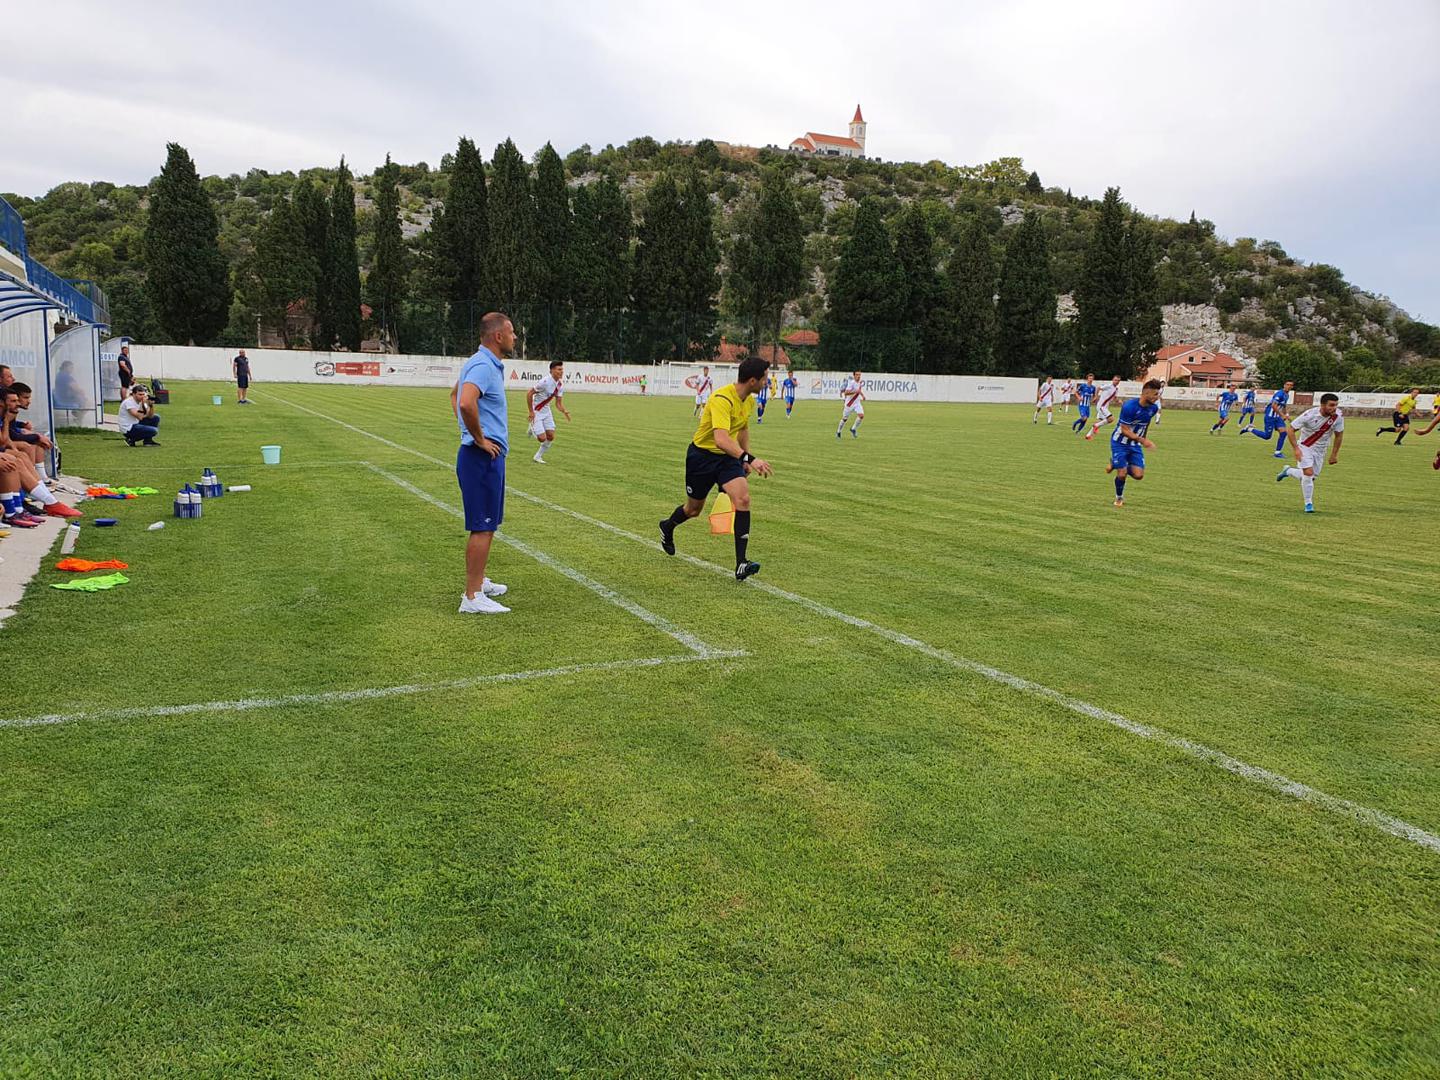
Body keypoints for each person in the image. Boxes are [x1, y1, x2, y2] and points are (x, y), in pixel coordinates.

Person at [658, 356, 772, 581]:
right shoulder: (722, 399)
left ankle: (741, 563)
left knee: (743, 499)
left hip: (727, 459)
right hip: (701, 458)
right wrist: (750, 458)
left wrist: (744, 458)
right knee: (693, 510)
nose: (766, 382)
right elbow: (721, 439)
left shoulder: (748, 401)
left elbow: (742, 429)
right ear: (752, 380)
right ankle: (667, 527)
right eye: (765, 378)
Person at [452, 312, 515, 614]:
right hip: (481, 457)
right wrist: (477, 438)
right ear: (498, 336)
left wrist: (469, 432)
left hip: (486, 457)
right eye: (512, 332)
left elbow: (454, 395)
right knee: (482, 526)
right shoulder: (483, 365)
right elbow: (465, 401)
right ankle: (472, 596)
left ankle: (479, 581)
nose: (515, 337)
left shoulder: (483, 363)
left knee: (488, 525)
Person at [1, 388, 80, 518]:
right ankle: (18, 509)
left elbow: (5, 440)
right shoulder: (5, 414)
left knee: (21, 456)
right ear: (2, 403)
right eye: (14, 401)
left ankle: (41, 496)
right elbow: (7, 439)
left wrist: (12, 424)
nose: (18, 403)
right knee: (18, 458)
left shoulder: (6, 414)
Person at [1276, 393, 1344, 513]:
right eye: (1331, 405)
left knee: (1310, 478)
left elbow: (1339, 435)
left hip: (1321, 450)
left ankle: (1289, 471)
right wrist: (1296, 449)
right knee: (1308, 473)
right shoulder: (1309, 415)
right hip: (1305, 446)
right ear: (1322, 405)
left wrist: (1334, 454)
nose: (1334, 408)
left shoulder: (1337, 417)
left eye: (1336, 405)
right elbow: (1291, 429)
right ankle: (1308, 504)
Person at [1108, 379, 1163, 508]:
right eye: (1155, 394)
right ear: (1146, 393)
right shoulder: (1129, 406)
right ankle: (1119, 497)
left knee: (1139, 475)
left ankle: (1116, 463)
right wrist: (1143, 440)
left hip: (1135, 444)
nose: (1157, 397)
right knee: (1122, 474)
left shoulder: (1153, 408)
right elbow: (1124, 430)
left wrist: (1143, 438)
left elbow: (1146, 423)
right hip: (1119, 442)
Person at [526, 359, 571, 465]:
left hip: (547, 411)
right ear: (552, 370)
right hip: (537, 411)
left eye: (562, 369)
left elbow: (558, 403)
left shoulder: (560, 385)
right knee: (542, 438)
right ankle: (531, 427)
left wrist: (564, 411)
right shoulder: (544, 382)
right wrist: (531, 412)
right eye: (559, 369)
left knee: (550, 436)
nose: (561, 372)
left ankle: (538, 457)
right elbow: (529, 394)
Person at [7, 382, 55, 478]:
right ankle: (33, 479)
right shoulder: (8, 411)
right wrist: (37, 436)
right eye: (25, 398)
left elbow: (11, 427)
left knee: (37, 443)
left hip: (7, 441)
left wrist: (22, 425)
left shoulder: (12, 411)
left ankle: (42, 477)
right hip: (4, 445)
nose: (29, 401)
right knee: (28, 446)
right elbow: (11, 435)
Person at [1242, 380, 1294, 458]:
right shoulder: (1279, 394)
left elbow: (1283, 405)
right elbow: (1273, 405)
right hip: (1270, 417)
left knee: (1283, 432)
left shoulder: (1286, 395)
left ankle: (1277, 452)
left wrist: (1286, 415)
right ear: (1284, 385)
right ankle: (1249, 429)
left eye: (1290, 385)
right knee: (1267, 436)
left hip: (1277, 418)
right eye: (1287, 384)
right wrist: (1282, 415)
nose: (1289, 386)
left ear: (1292, 387)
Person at [1085, 376, 1123, 440]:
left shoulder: (1116, 389)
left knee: (1099, 421)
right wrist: (1096, 397)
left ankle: (1088, 435)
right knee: (1111, 419)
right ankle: (1096, 426)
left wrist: (1119, 401)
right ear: (1113, 380)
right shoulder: (1109, 386)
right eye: (1115, 380)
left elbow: (1115, 398)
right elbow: (1098, 388)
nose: (1117, 381)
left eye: (1118, 380)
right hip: (1101, 406)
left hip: (1105, 407)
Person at [836, 370, 866, 438]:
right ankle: (838, 431)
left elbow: (859, 390)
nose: (858, 376)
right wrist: (855, 391)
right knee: (844, 419)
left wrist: (862, 395)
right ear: (854, 375)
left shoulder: (859, 383)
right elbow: (846, 393)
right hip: (849, 404)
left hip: (857, 403)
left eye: (859, 375)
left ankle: (853, 429)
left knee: (861, 416)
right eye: (857, 375)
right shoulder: (851, 383)